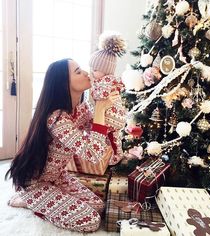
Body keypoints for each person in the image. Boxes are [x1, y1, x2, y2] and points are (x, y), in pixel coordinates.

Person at [5, 58, 120, 233]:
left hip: (57, 177)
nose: (86, 73)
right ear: (63, 82)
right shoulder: (56, 118)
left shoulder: (79, 110)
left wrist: (108, 100)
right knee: (91, 221)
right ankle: (31, 201)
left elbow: (107, 127)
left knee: (98, 206)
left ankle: (45, 201)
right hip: (34, 183)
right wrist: (99, 110)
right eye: (78, 71)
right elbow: (93, 154)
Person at [89, 31, 127, 165]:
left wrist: (92, 86)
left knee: (105, 137)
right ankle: (117, 154)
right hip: (116, 117)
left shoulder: (106, 81)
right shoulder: (111, 79)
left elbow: (101, 95)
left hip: (110, 116)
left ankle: (107, 157)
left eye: (94, 69)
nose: (92, 72)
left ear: (105, 69)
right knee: (114, 138)